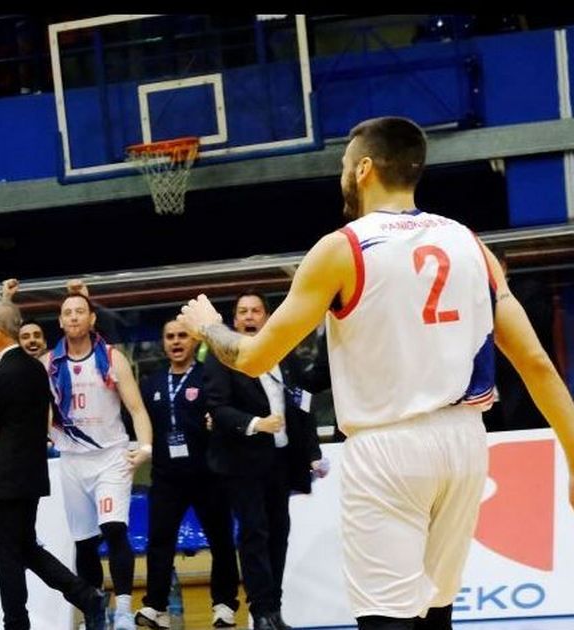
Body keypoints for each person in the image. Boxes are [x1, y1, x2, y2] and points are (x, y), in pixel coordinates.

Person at [178, 116, 574, 630]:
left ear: (364, 168)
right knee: (435, 611)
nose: (343, 174)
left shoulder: (343, 247)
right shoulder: (470, 244)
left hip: (389, 446)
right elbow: (536, 362)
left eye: (345, 164)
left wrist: (208, 327)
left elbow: (253, 357)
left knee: (386, 617)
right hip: (464, 443)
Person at [0, 300, 108, 630]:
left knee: (8, 556)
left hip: (3, 478)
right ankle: (86, 596)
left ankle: (17, 622)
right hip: (30, 474)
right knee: (25, 547)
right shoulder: (35, 369)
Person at [201, 292, 324, 630]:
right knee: (254, 532)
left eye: (256, 311)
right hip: (243, 461)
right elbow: (218, 408)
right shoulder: (222, 356)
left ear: (267, 317)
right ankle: (261, 610)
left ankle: (275, 609)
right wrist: (256, 424)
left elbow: (304, 403)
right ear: (234, 320)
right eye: (242, 312)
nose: (249, 317)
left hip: (281, 460)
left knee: (279, 532)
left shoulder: (283, 352)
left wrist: (312, 452)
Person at [43, 287, 154, 630]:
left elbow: (136, 408)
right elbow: (40, 411)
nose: (73, 317)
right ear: (60, 322)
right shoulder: (49, 363)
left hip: (111, 456)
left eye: (80, 311)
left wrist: (145, 448)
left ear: (92, 319)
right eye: (67, 312)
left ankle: (123, 610)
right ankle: (95, 611)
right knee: (85, 541)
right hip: (72, 459)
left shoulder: (111, 357)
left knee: (114, 529)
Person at [135, 316, 241, 629]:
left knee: (221, 540)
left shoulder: (209, 376)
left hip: (209, 474)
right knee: (159, 541)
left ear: (194, 340)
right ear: (163, 343)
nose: (176, 342)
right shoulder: (152, 383)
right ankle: (157, 607)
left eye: (182, 335)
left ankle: (224, 605)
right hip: (166, 476)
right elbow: (139, 424)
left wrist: (216, 423)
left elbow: (226, 412)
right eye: (170, 337)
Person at [2, 278, 49, 358]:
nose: (32, 340)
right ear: (18, 345)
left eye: (37, 336)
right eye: (25, 337)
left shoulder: (56, 363)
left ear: (45, 343)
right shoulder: (12, 364)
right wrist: (7, 297)